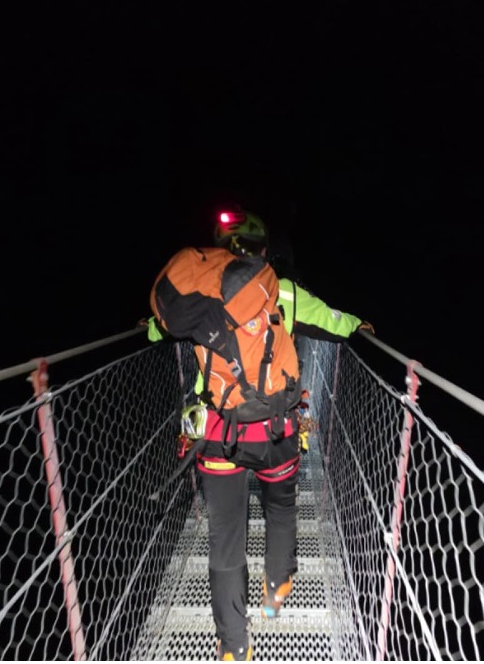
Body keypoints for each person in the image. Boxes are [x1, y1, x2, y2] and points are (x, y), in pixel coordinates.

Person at [147, 208, 372, 661]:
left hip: (217, 433)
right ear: (264, 251)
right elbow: (332, 321)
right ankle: (277, 586)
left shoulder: (200, 292)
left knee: (225, 534)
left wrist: (148, 327)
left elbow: (158, 329)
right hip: (275, 433)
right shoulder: (282, 290)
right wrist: (358, 325)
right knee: (281, 507)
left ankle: (234, 645)